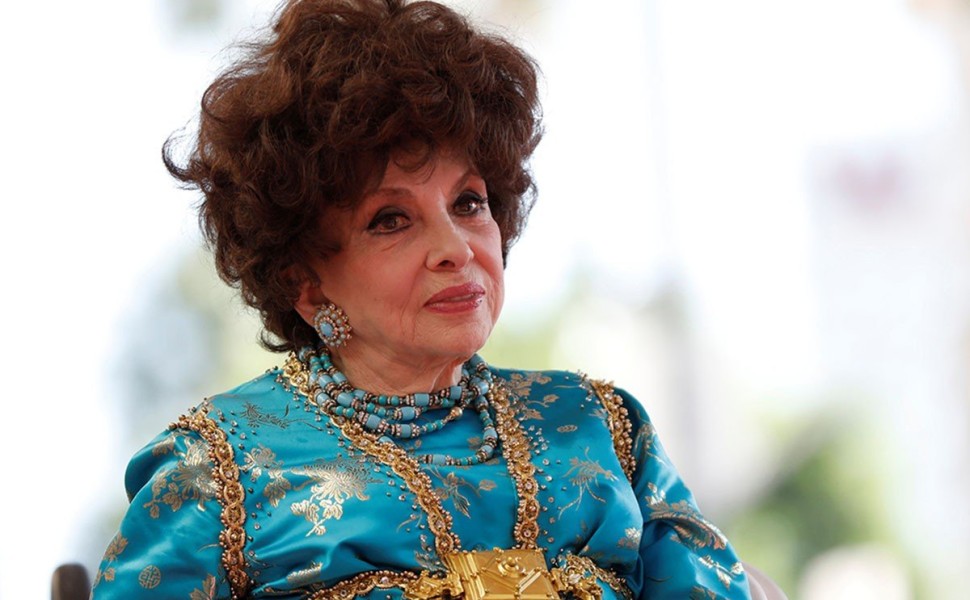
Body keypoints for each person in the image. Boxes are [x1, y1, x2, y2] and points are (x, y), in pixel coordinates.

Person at [92, 0, 752, 598]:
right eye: (390, 219)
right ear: (305, 282)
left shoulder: (602, 427)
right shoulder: (213, 472)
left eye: (469, 202)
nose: (456, 247)